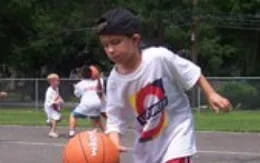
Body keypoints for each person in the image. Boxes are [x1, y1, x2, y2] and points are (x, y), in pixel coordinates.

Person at [96, 8, 231, 163]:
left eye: (115, 42)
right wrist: (113, 143)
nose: (111, 50)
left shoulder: (158, 58)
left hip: (177, 134)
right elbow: (115, 120)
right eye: (105, 45)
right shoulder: (114, 81)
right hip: (147, 147)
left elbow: (191, 73)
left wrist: (211, 94)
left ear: (135, 40)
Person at [68, 65, 105, 137]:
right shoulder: (98, 81)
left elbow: (77, 95)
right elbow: (99, 81)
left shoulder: (79, 84)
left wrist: (75, 88)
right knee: (96, 118)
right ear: (91, 74)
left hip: (86, 103)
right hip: (98, 103)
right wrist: (96, 75)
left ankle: (71, 132)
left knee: (73, 115)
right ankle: (104, 132)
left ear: (81, 75)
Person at [44, 73, 63, 138]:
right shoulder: (49, 91)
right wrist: (56, 102)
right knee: (55, 118)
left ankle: (50, 122)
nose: (59, 82)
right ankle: (52, 132)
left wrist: (60, 100)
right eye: (57, 80)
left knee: (59, 118)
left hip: (54, 106)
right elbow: (49, 101)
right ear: (52, 82)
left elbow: (57, 96)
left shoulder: (56, 88)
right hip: (50, 107)